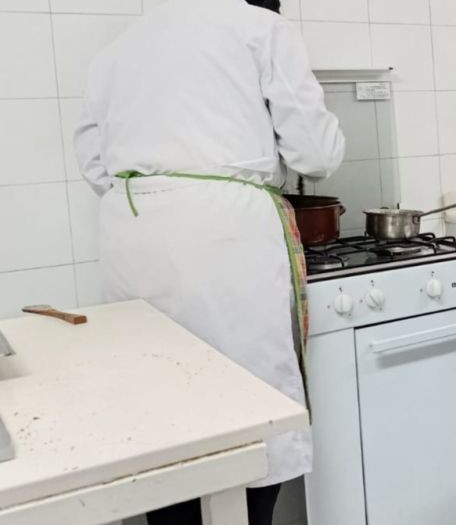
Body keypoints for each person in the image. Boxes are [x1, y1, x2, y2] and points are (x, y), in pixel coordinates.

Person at [74, 0, 344, 523]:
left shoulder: (113, 51)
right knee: (250, 407)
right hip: (225, 238)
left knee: (160, 407)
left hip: (130, 232)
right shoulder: (262, 28)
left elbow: (94, 164)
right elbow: (317, 155)